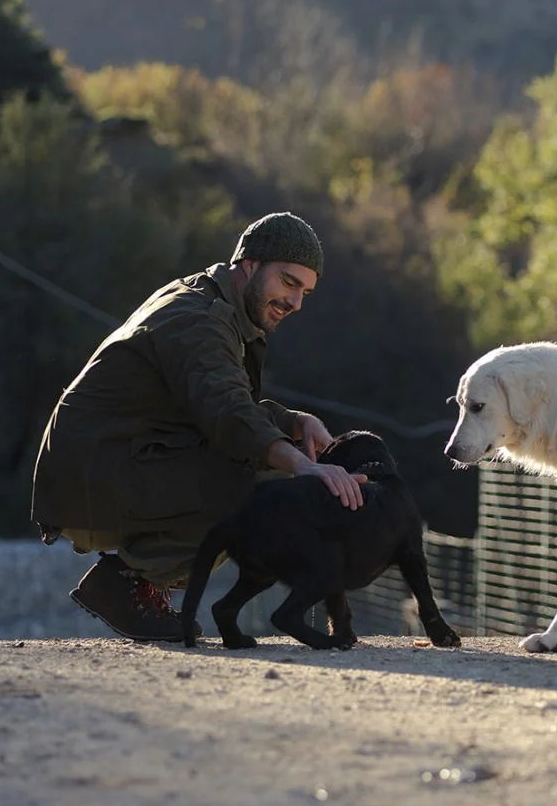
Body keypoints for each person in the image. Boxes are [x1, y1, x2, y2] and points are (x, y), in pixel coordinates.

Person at [31, 212, 367, 642]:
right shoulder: (201, 317)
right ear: (250, 264)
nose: (296, 302)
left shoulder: (217, 305)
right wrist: (302, 467)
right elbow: (228, 415)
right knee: (270, 479)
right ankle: (129, 583)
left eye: (305, 291)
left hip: (115, 464)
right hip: (95, 476)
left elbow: (221, 403)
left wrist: (296, 421)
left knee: (264, 466)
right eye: (288, 282)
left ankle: (133, 582)